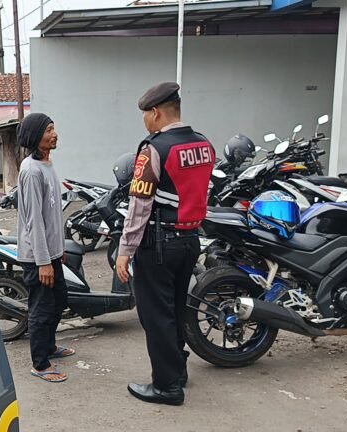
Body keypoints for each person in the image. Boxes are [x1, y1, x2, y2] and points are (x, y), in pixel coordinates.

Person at [115, 82, 215, 406]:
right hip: (190, 240)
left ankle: (167, 386)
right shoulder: (204, 144)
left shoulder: (154, 149)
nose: (144, 121)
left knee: (156, 316)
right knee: (175, 308)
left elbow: (140, 205)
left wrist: (125, 250)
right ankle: (178, 370)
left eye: (145, 115)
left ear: (156, 113)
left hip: (158, 245)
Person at [16, 113, 75, 383]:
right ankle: (40, 364)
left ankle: (49, 346)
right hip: (37, 257)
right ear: (35, 136)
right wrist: (42, 261)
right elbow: (34, 220)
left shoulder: (46, 165)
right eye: (49, 130)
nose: (54, 134)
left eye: (54, 129)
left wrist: (57, 249)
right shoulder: (31, 171)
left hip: (51, 253)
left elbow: (52, 214)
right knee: (41, 309)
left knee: (59, 300)